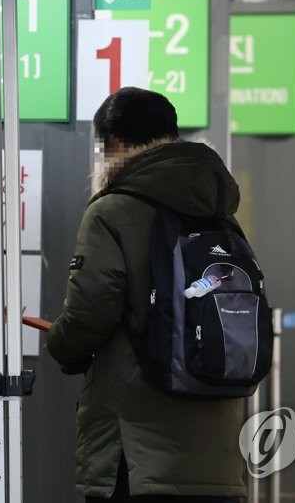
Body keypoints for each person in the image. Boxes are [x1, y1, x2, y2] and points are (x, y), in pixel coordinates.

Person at [47, 87, 245, 503]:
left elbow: (90, 312)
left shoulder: (112, 211)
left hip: (137, 444)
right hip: (216, 430)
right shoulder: (218, 209)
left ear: (115, 144)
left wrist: (61, 342)